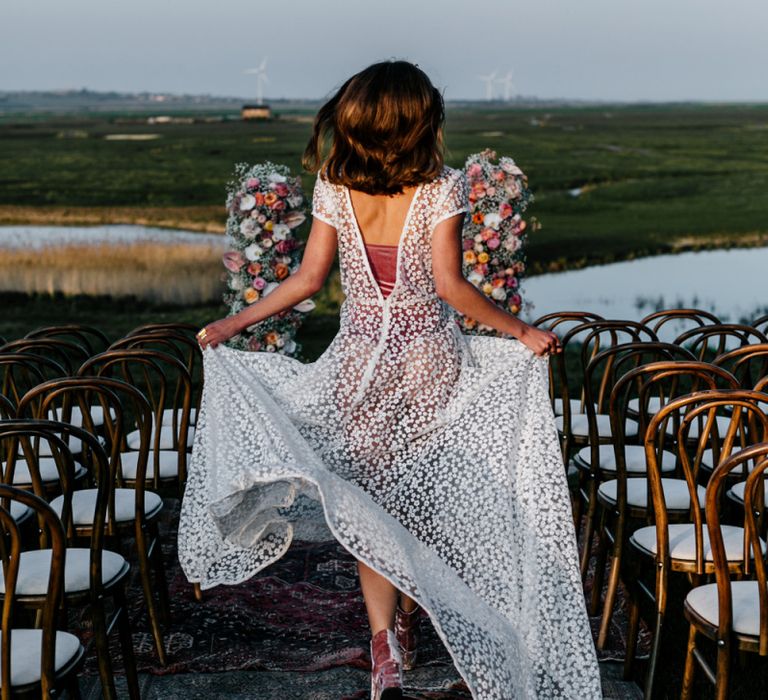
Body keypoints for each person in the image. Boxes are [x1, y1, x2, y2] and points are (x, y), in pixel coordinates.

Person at [178, 60, 602, 699]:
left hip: (357, 364)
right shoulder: (442, 188)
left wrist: (230, 323)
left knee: (371, 503)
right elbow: (452, 289)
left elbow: (306, 283)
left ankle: (385, 647)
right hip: (427, 360)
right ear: (417, 122)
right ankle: (409, 616)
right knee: (416, 504)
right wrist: (520, 332)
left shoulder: (332, 187)